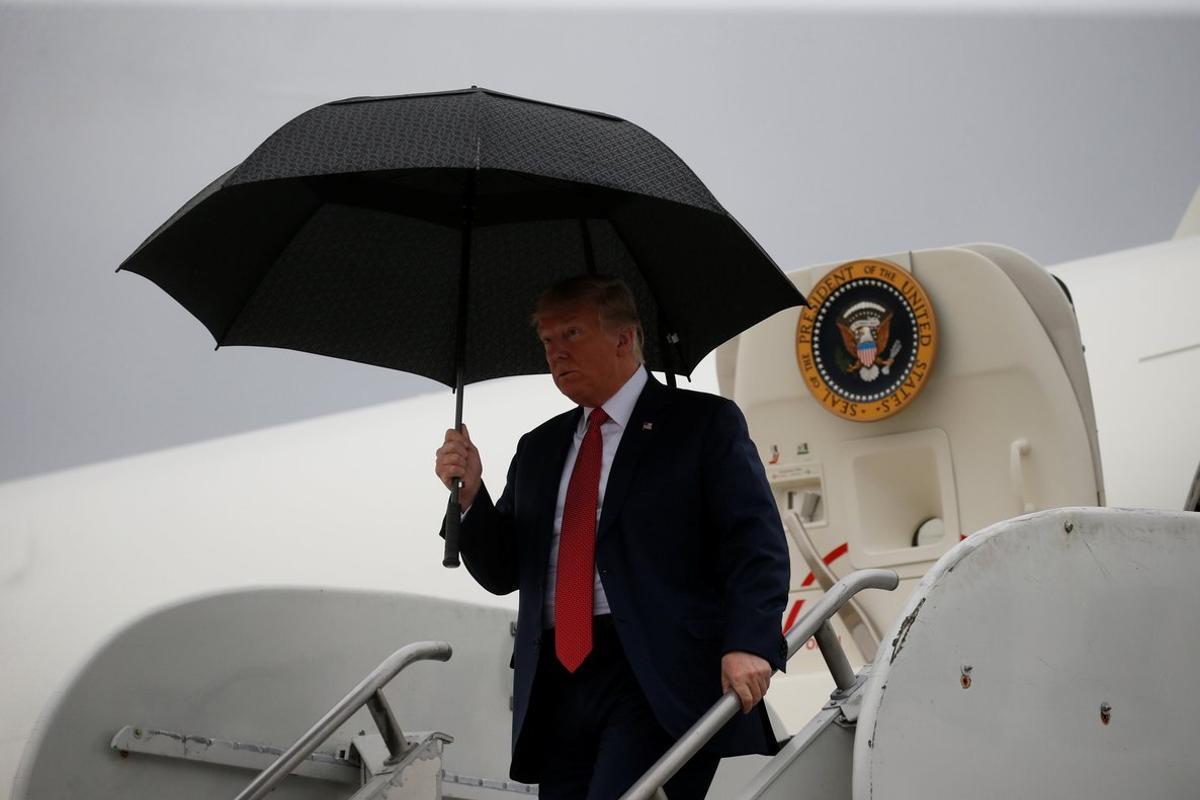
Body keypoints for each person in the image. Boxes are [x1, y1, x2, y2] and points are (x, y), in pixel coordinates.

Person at [435, 275, 789, 799]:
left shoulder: (700, 423)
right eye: (548, 341)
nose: (556, 354)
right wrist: (470, 498)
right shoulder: (540, 447)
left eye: (572, 335)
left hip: (653, 670)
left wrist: (749, 642)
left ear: (624, 338)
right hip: (557, 678)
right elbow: (504, 571)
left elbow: (754, 544)